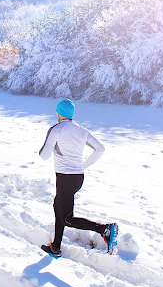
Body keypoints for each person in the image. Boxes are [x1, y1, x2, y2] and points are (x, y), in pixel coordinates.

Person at [38, 98, 118, 258]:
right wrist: (83, 165)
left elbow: (44, 156)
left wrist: (51, 147)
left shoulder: (56, 129)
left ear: (59, 113)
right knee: (58, 206)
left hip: (65, 179)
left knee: (67, 218)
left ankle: (105, 229)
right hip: (77, 178)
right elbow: (100, 149)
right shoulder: (81, 130)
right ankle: (55, 246)